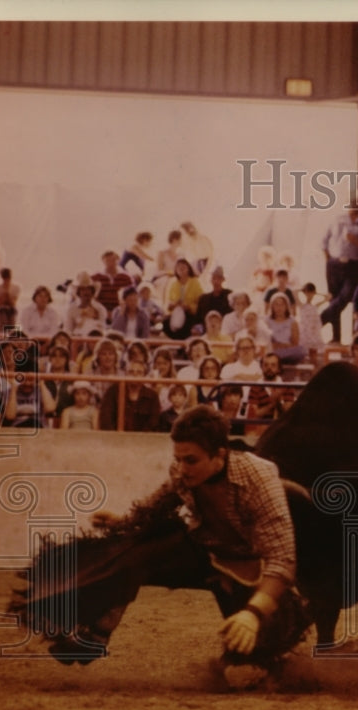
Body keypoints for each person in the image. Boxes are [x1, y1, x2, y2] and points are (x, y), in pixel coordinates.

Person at [83, 405, 304, 686]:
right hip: (212, 558)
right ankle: (96, 629)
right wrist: (123, 522)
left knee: (243, 672)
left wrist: (254, 612)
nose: (182, 469)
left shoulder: (258, 479)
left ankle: (264, 659)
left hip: (256, 575)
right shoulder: (183, 471)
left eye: (191, 460)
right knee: (137, 546)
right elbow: (156, 509)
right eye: (178, 459)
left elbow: (283, 560)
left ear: (219, 456)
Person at [320, 198, 358, 343]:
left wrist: (356, 241)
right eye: (352, 203)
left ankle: (319, 320)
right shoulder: (338, 219)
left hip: (353, 265)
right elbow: (324, 241)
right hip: (334, 264)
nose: (354, 206)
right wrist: (329, 261)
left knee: (344, 297)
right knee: (333, 297)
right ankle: (336, 337)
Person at [99, 359, 161, 432]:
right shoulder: (113, 391)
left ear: (144, 375)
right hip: (115, 439)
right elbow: (105, 419)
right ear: (125, 374)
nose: (135, 375)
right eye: (131, 372)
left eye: (139, 372)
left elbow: (153, 423)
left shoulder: (152, 396)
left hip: (143, 440)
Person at [164, 259, 204, 340]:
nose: (181, 269)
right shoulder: (173, 284)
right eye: (178, 268)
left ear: (188, 268)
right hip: (176, 314)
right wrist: (174, 304)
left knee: (188, 323)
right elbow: (168, 303)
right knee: (165, 323)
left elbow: (201, 302)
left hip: (190, 314)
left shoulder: (195, 282)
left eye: (183, 267)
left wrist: (189, 307)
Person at [64, 273, 108, 337]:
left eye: (88, 289)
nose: (86, 292)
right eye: (83, 289)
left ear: (92, 291)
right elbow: (68, 329)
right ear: (78, 292)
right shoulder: (72, 309)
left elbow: (102, 328)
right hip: (77, 340)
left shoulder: (100, 308)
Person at [94, 251, 133, 319]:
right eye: (108, 260)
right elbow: (92, 298)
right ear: (103, 261)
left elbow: (131, 297)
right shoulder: (96, 277)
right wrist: (104, 313)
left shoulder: (126, 278)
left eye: (113, 260)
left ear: (118, 260)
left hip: (121, 313)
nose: (110, 263)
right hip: (100, 313)